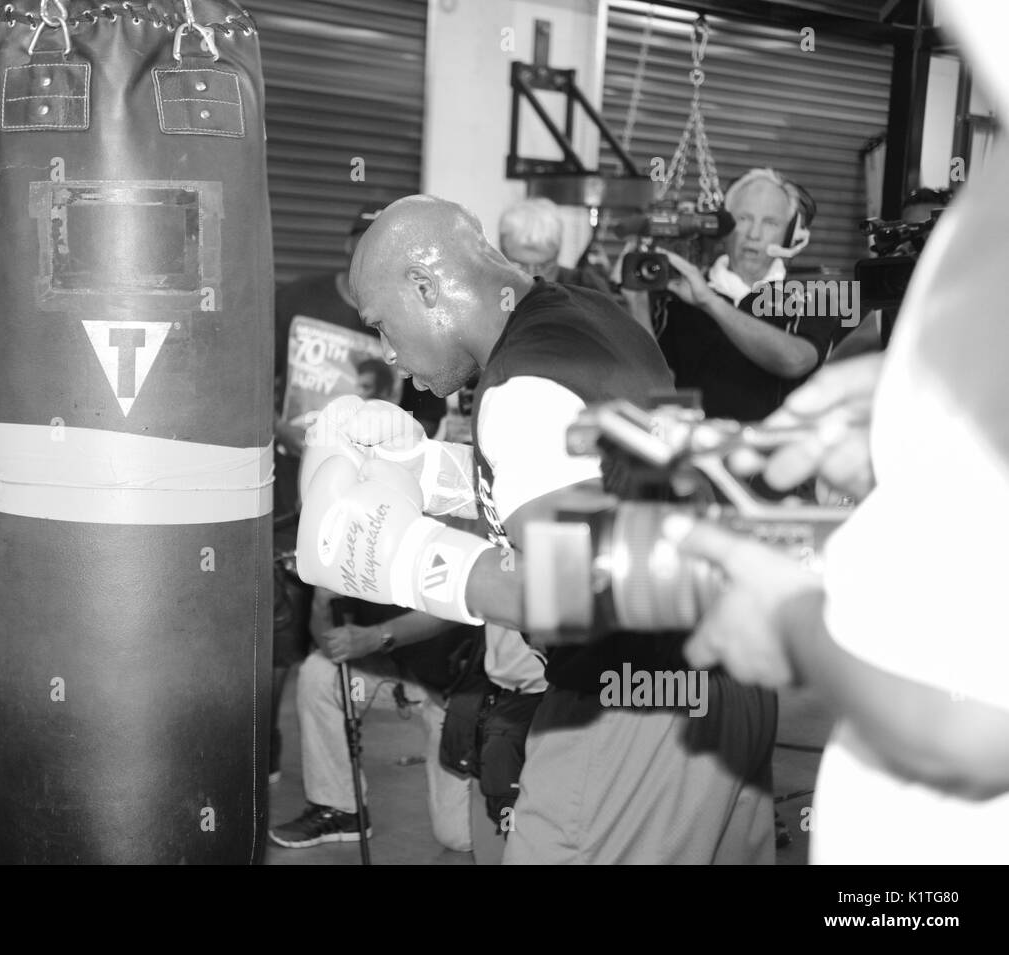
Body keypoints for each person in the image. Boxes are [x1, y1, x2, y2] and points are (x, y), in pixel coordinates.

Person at [295, 194, 777, 864]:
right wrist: (428, 469)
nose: (389, 354)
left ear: (426, 287)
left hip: (632, 708)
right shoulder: (589, 316)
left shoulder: (518, 388)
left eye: (382, 324)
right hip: (731, 687)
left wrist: (404, 557)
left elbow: (579, 584)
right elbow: (613, 474)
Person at [670, 0, 1009, 863]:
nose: (747, 234)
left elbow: (974, 727)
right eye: (737, 217)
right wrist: (889, 416)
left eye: (764, 221)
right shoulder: (987, 215)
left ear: (795, 233)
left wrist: (793, 624)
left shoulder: (812, 288)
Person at [269, 204, 447, 783]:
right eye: (363, 242)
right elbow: (253, 375)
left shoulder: (408, 317)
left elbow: (425, 406)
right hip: (283, 485)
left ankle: (414, 711)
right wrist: (276, 426)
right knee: (275, 634)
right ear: (350, 245)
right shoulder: (296, 298)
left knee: (336, 620)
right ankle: (262, 754)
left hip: (362, 496)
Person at [269, 586, 478, 852]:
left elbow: (456, 603)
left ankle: (513, 782)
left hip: (458, 690)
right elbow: (334, 650)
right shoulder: (350, 550)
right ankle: (340, 809)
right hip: (402, 681)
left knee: (457, 836)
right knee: (322, 674)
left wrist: (378, 636)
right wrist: (320, 604)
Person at [652, 168, 846, 421]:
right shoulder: (679, 294)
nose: (754, 234)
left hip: (770, 452)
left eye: (770, 223)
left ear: (789, 236)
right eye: (743, 218)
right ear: (725, 226)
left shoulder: (815, 298)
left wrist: (709, 303)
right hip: (694, 449)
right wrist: (636, 300)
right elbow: (654, 383)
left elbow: (795, 361)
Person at [498, 196, 619, 299]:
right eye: (520, 266)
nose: (532, 278)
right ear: (501, 254)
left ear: (557, 253)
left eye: (544, 266)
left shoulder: (587, 290)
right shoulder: (487, 294)